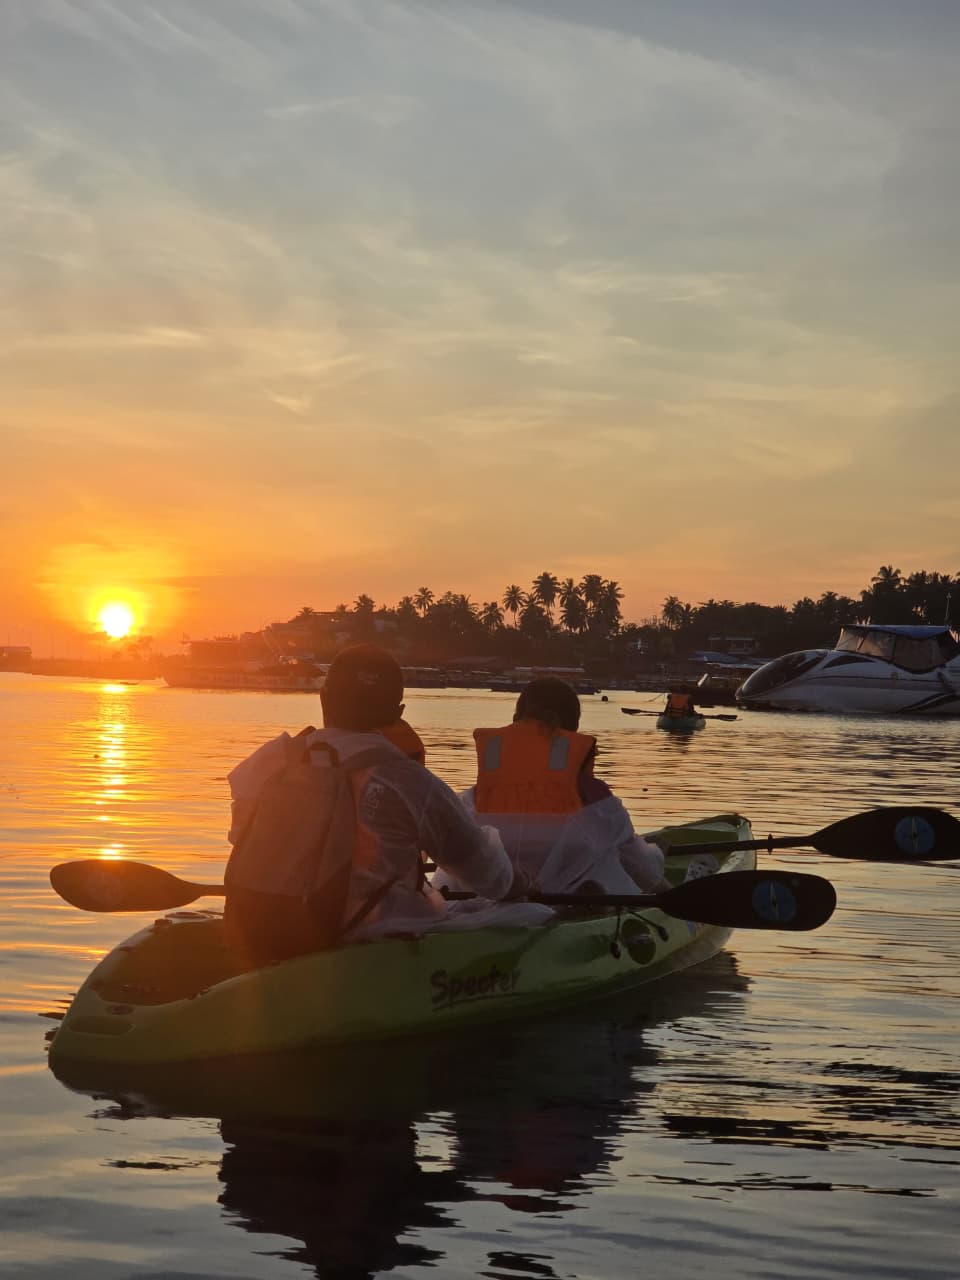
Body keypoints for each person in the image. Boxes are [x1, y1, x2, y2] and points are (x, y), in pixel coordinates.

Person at [223, 644, 522, 964]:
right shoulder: (411, 781)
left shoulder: (271, 762)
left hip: (269, 932)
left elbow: (241, 838)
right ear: (399, 713)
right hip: (377, 943)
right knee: (530, 913)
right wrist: (521, 884)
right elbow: (490, 878)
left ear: (323, 698)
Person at [453, 677, 670, 896]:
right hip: (570, 897)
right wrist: (657, 851)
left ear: (515, 720)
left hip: (490, 900)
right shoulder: (593, 795)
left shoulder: (475, 797)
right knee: (614, 853)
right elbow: (647, 873)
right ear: (574, 728)